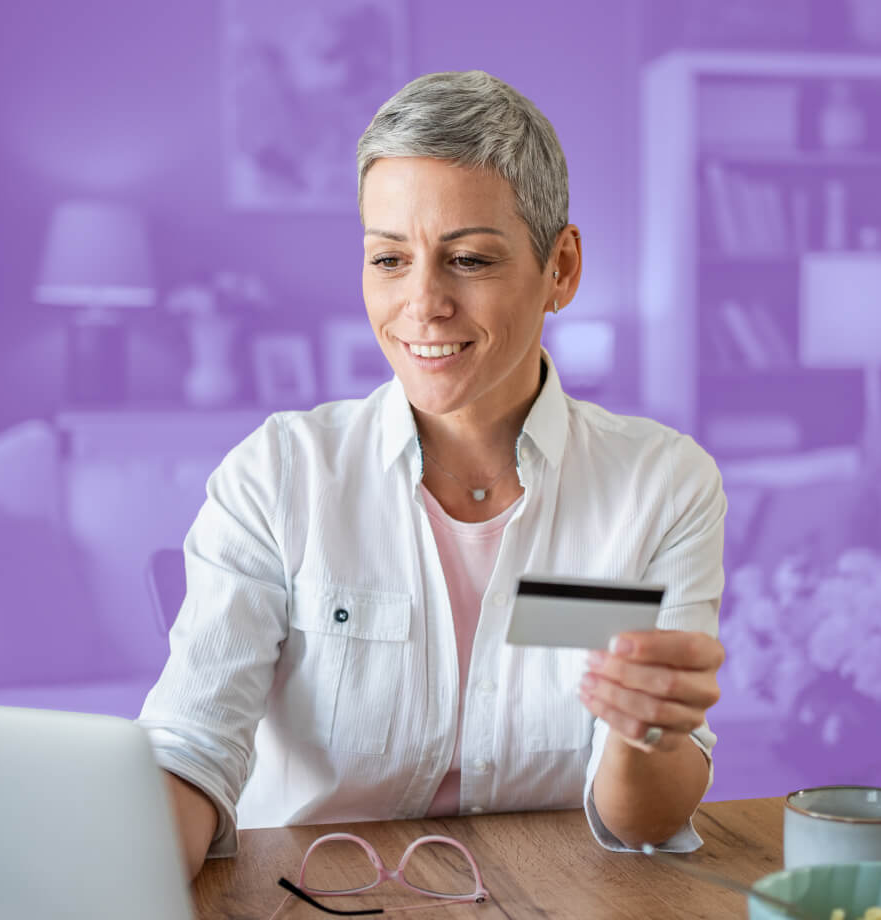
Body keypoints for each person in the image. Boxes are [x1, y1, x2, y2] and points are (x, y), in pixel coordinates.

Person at [137, 69, 727, 880]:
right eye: (389, 259)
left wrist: (644, 728)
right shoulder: (279, 473)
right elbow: (191, 749)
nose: (422, 303)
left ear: (561, 268)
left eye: (470, 260)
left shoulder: (663, 486)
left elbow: (646, 821)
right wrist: (119, 875)